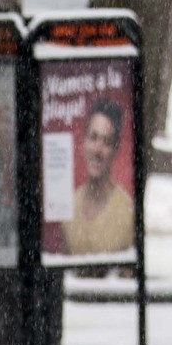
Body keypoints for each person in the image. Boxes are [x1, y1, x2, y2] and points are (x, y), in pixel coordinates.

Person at [64, 94, 135, 255]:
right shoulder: (70, 206)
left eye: (107, 141)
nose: (97, 150)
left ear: (116, 150)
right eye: (93, 137)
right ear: (83, 143)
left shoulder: (127, 212)